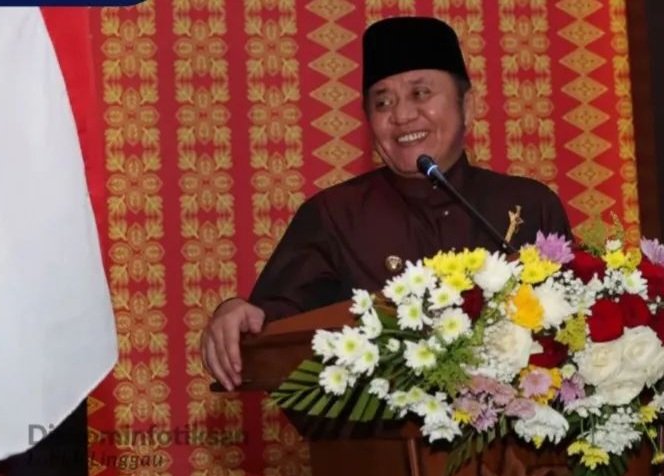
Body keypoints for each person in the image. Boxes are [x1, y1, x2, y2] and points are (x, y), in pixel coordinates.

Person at [202, 16, 572, 390]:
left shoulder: (529, 206)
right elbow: (273, 328)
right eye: (383, 102)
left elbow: (575, 331)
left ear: (468, 106)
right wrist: (233, 313)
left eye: (420, 94)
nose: (402, 115)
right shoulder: (333, 216)